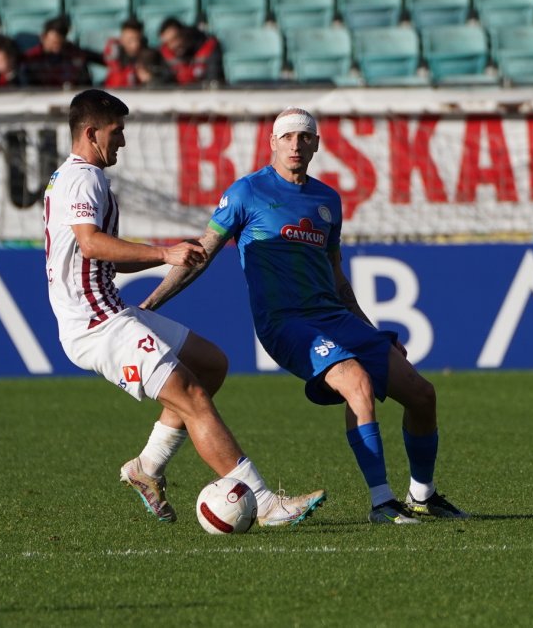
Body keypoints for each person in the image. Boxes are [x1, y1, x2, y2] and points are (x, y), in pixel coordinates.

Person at [141, 107, 469, 525]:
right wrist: (152, 304)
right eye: (288, 137)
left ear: (315, 144)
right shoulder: (246, 193)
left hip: (335, 316)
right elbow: (201, 254)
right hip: (286, 322)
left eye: (305, 137)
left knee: (422, 395)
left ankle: (422, 498)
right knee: (357, 383)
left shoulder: (327, 200)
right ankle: (383, 503)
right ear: (272, 143)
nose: (296, 144)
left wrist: (373, 333)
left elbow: (337, 279)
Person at [43, 89, 325, 527]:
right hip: (94, 322)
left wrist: (166, 258)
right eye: (116, 133)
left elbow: (104, 257)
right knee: (192, 396)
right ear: (91, 132)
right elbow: (90, 243)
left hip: (109, 309)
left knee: (210, 365)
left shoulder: (76, 177)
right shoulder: (84, 178)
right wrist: (164, 254)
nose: (122, 142)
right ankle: (266, 504)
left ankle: (147, 467)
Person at [25, 16, 95, 88]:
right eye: (54, 43)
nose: (57, 48)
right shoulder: (31, 58)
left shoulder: (76, 55)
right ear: (43, 37)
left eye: (61, 44)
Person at [104, 18, 173, 88]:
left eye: (138, 39)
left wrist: (151, 79)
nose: (135, 44)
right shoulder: (114, 55)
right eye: (130, 40)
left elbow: (167, 77)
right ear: (122, 38)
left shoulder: (152, 57)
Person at [157, 17, 223, 85]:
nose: (174, 45)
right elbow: (165, 81)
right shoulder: (165, 53)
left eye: (176, 38)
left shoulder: (209, 46)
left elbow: (214, 77)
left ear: (184, 33)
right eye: (168, 43)